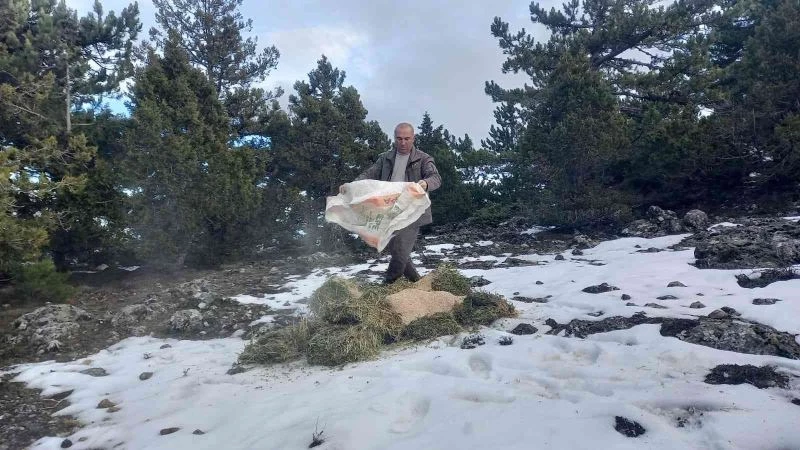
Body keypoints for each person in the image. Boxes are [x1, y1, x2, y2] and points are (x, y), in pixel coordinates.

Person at [344, 122, 441, 284]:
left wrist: (425, 183)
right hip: (389, 210)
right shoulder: (386, 158)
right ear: (394, 138)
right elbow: (369, 174)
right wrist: (352, 186)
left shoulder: (423, 159)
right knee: (397, 251)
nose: (403, 142)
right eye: (399, 138)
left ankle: (388, 284)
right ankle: (417, 282)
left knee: (401, 250)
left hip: (412, 212)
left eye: (407, 139)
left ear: (413, 138)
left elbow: (436, 178)